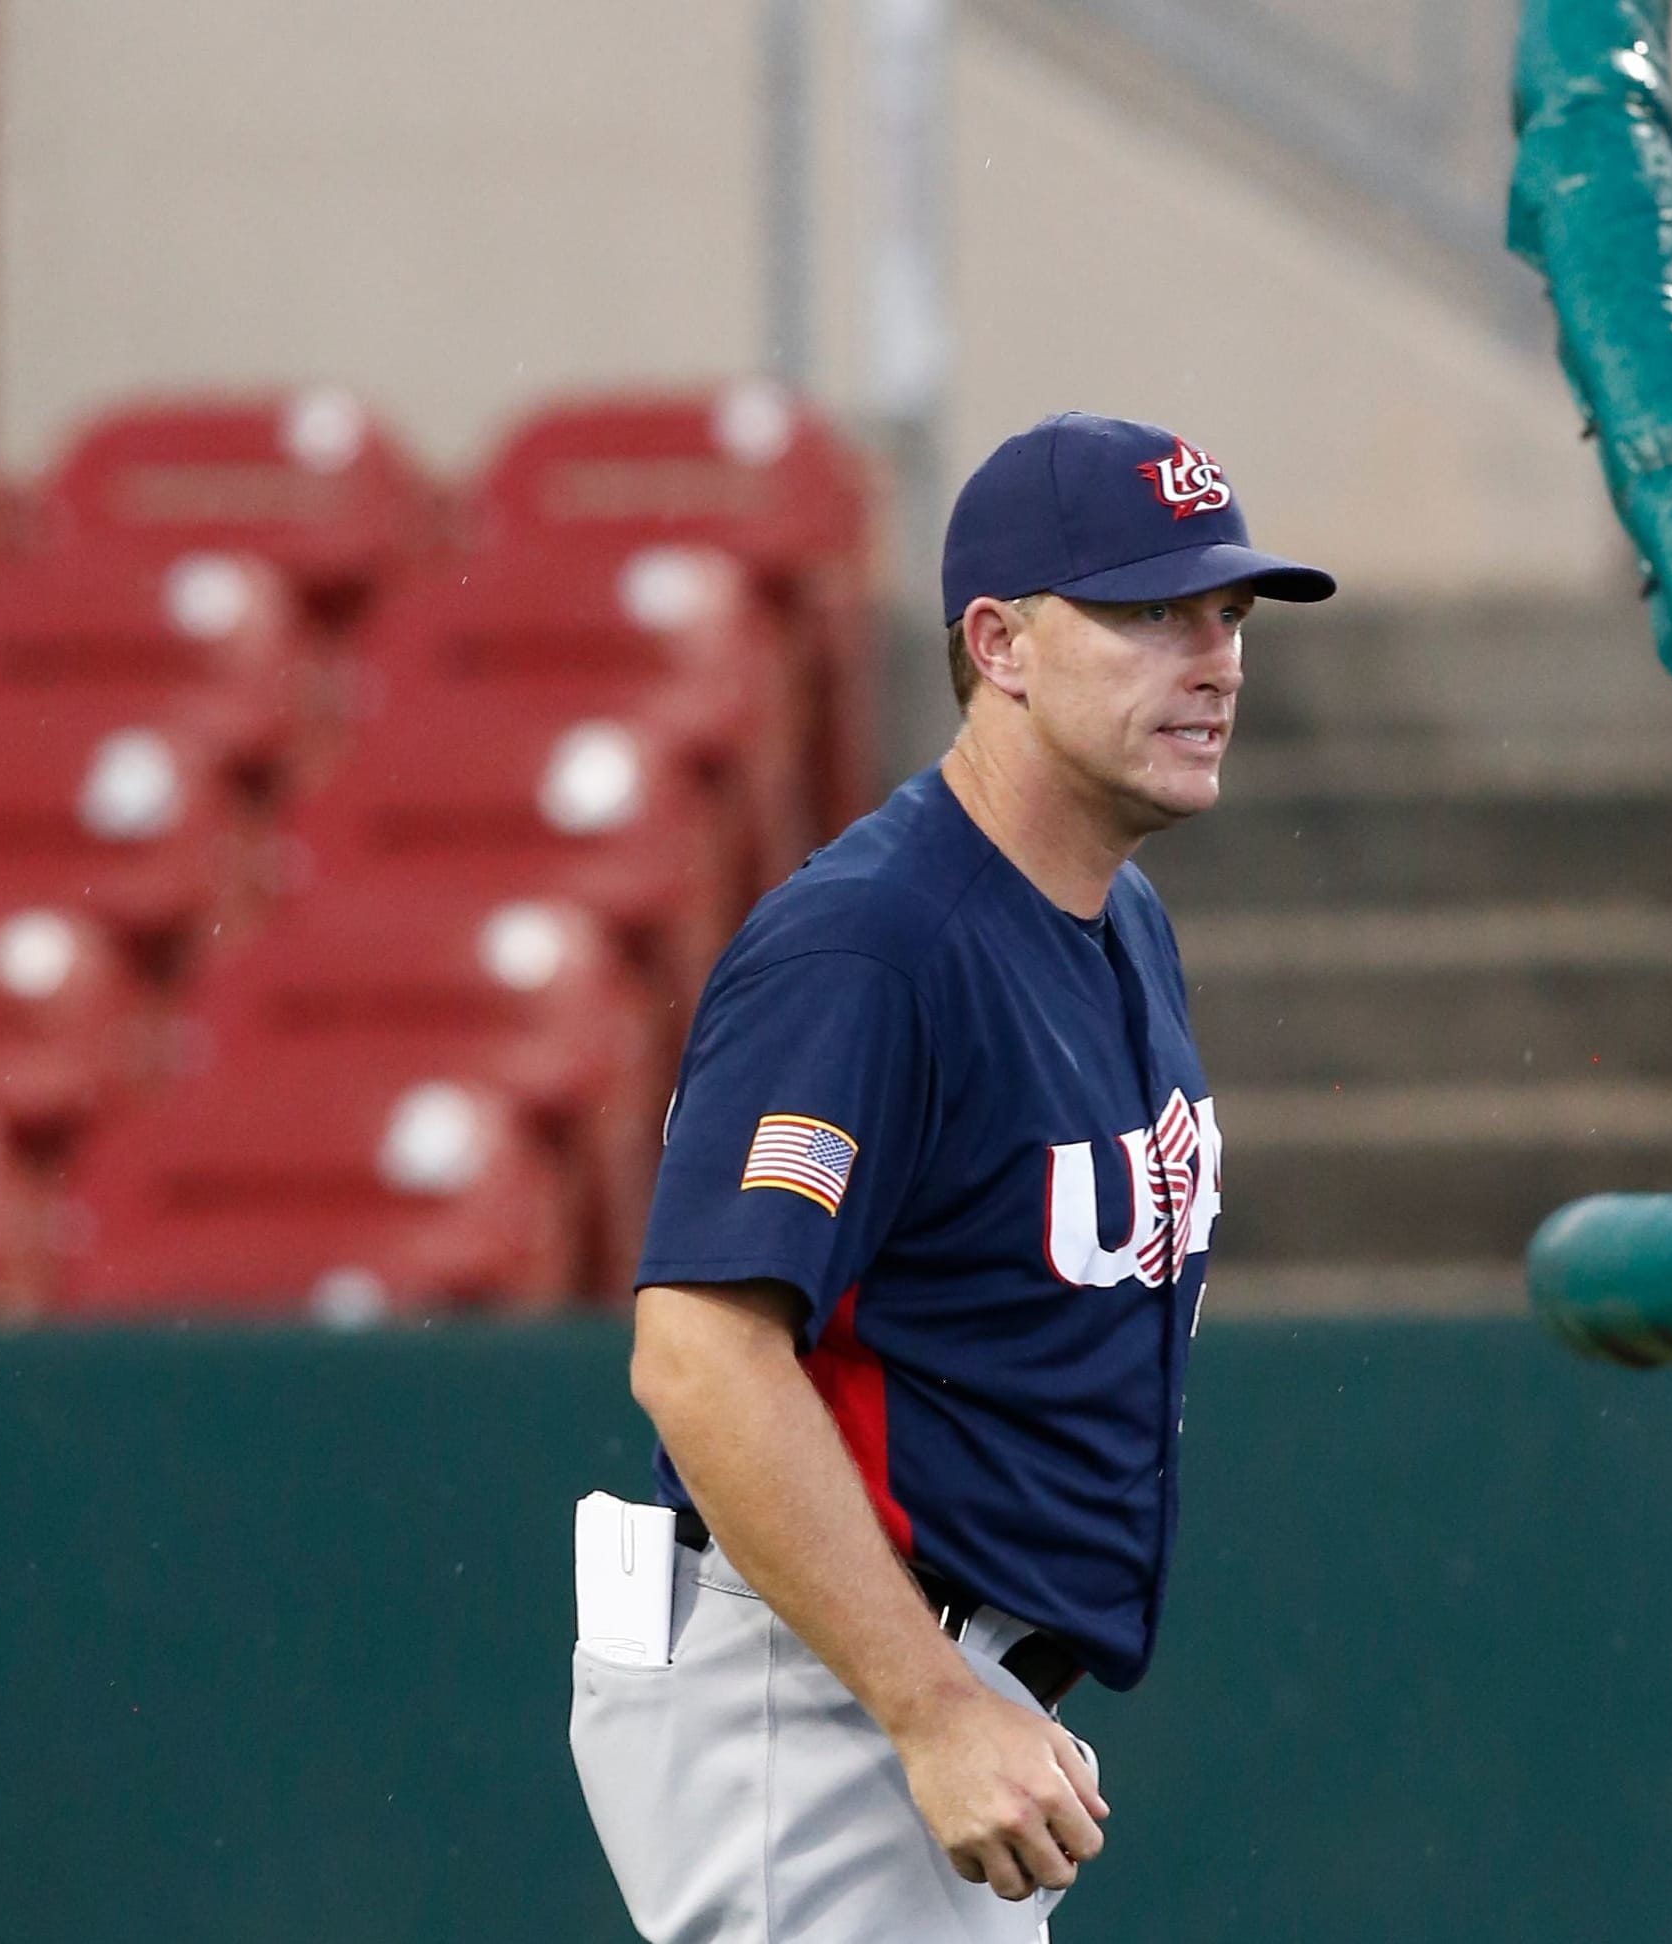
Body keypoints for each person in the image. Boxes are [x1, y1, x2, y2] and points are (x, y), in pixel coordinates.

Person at [569, 410, 1334, 1941]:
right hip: (827, 1686)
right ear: (1000, 643)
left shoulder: (1117, 917)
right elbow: (703, 1357)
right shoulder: (871, 946)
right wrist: (928, 1707)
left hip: (923, 1690)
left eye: (1229, 611)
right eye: (1148, 610)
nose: (1216, 655)